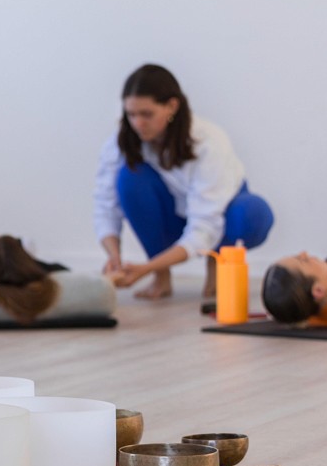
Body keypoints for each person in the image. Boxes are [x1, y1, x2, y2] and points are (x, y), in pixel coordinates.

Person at [93, 64, 274, 302]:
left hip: (219, 217)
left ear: (172, 106)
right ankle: (161, 274)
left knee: (251, 213)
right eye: (131, 114)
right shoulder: (121, 142)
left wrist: (143, 269)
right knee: (129, 178)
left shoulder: (208, 141)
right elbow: (106, 207)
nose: (137, 123)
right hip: (175, 218)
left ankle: (218, 260)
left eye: (146, 114)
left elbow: (205, 226)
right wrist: (114, 258)